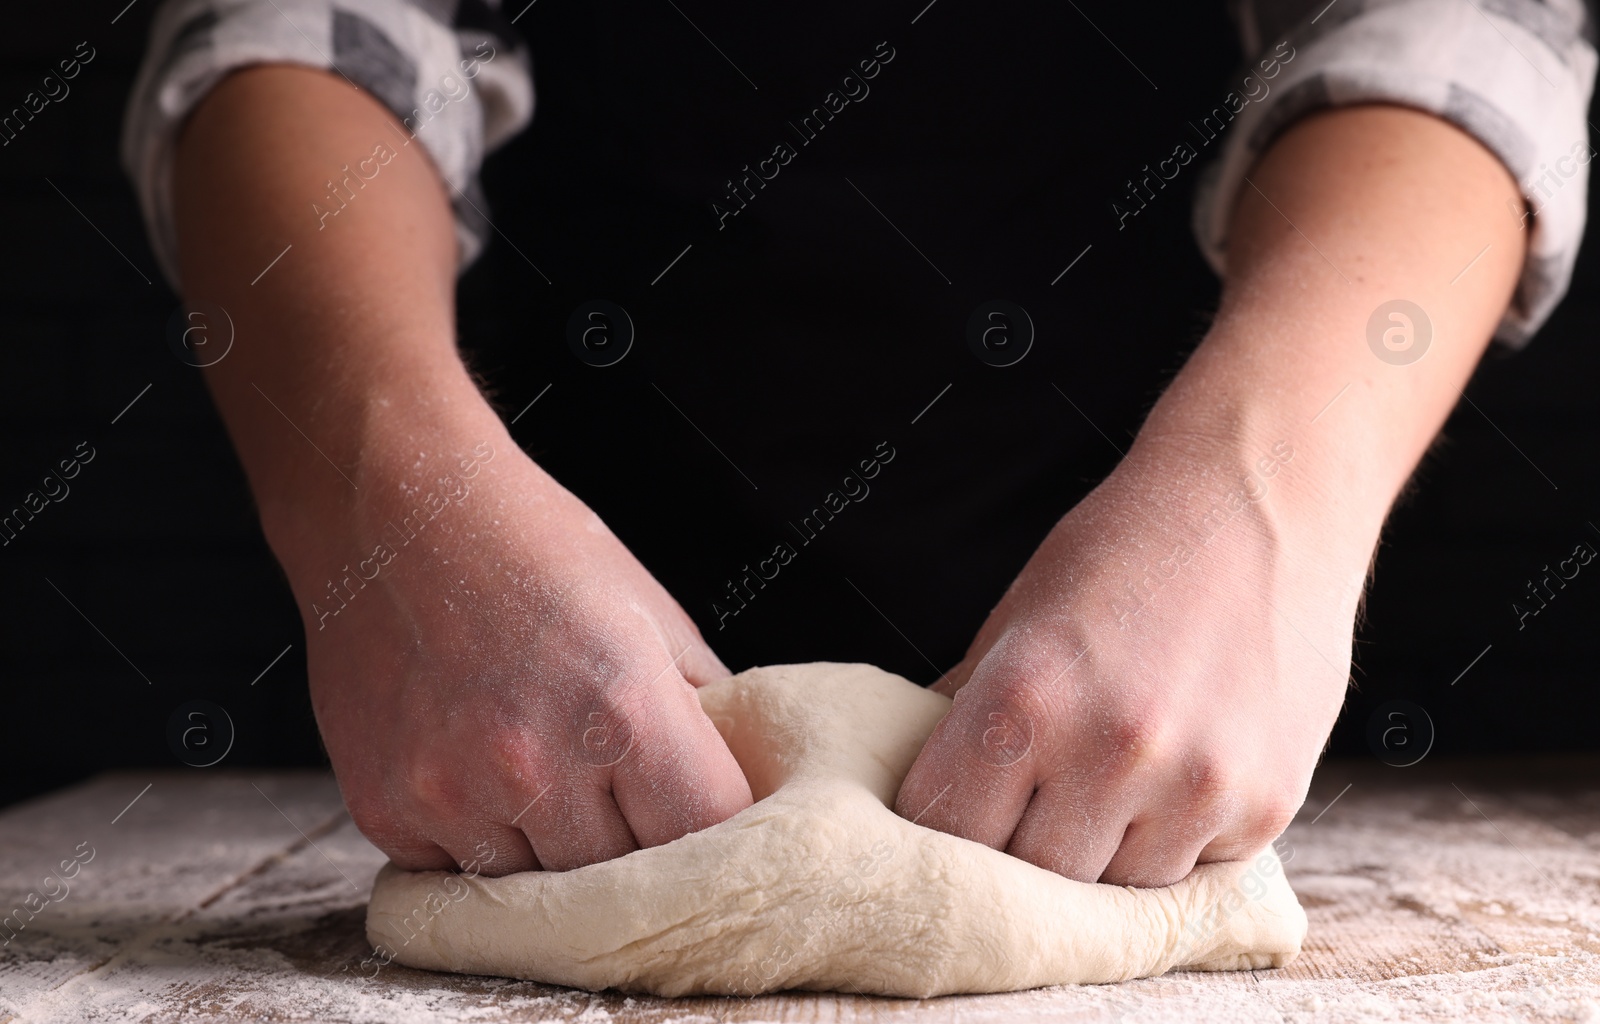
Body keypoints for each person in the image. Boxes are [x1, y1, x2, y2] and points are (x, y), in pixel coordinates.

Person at [122, 0, 1595, 884]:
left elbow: (1455, 23)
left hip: (1189, 652)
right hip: (486, 679)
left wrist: (1273, 490)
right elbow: (292, 23)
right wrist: (385, 495)